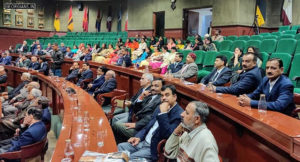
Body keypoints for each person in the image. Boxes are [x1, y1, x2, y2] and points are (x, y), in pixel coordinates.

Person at [118, 85, 184, 161]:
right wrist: (138, 137)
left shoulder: (179, 114)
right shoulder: (159, 107)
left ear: (175, 97)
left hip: (153, 148)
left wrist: (163, 114)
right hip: (143, 142)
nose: (164, 98)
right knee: (121, 147)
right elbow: (148, 126)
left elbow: (168, 135)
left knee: (128, 158)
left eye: (167, 95)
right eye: (162, 95)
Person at [112, 76, 162, 144]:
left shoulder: (160, 100)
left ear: (162, 88)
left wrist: (136, 124)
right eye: (152, 86)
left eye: (156, 86)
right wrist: (141, 97)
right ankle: (120, 144)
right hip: (136, 119)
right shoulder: (149, 96)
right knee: (116, 123)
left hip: (142, 128)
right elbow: (137, 109)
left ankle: (117, 144)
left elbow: (151, 117)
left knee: (116, 125)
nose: (153, 88)